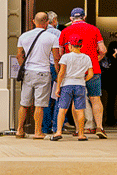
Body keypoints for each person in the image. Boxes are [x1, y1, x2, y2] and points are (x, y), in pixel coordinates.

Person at [58, 8, 108, 139]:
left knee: (76, 101)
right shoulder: (94, 29)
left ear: (71, 19)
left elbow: (60, 53)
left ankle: (78, 129)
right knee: (95, 98)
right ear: (84, 17)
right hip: (93, 70)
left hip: (72, 73)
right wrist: (94, 60)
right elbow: (102, 50)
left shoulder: (65, 31)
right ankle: (99, 127)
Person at [16, 12, 60, 139]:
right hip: (43, 72)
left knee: (24, 103)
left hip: (28, 72)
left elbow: (19, 55)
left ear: (33, 21)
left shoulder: (23, 36)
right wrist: (57, 73)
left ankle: (19, 130)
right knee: (39, 104)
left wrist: (23, 67)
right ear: (47, 22)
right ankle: (37, 131)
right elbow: (56, 58)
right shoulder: (51, 38)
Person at [51, 39, 93, 141]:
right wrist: (83, 79)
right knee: (80, 110)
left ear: (70, 46)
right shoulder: (86, 58)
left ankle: (58, 132)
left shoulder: (66, 57)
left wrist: (58, 87)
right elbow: (91, 74)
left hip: (67, 85)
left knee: (62, 109)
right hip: (80, 85)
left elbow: (61, 73)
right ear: (81, 46)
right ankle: (81, 134)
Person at [40, 11, 62, 136]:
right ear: (53, 21)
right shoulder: (57, 33)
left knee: (45, 99)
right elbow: (59, 53)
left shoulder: (39, 33)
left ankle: (45, 127)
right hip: (55, 67)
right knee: (58, 95)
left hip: (43, 67)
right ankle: (56, 126)